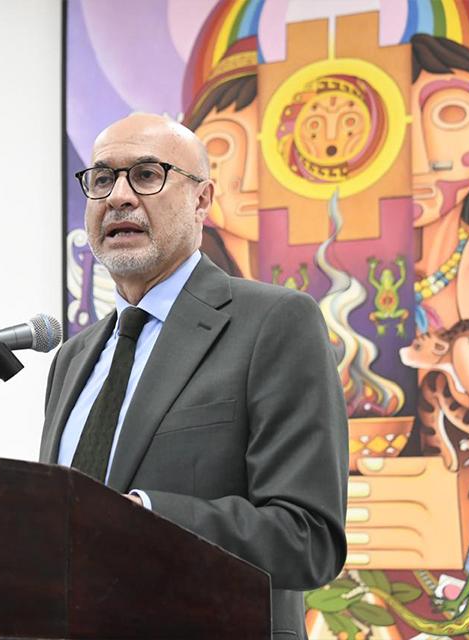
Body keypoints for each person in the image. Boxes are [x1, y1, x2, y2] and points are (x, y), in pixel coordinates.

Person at [41, 113, 348, 638]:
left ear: (202, 200)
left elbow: (309, 537)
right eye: (101, 178)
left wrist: (146, 518)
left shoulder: (273, 323)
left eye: (145, 175)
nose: (118, 196)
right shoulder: (72, 359)